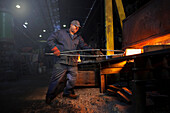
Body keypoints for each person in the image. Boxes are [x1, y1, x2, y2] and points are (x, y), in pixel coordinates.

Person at [46, 20, 92, 104]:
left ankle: (67, 92)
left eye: (78, 27)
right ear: (71, 25)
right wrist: (54, 49)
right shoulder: (61, 33)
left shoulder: (78, 37)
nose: (76, 28)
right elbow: (50, 40)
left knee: (72, 79)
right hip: (61, 60)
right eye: (75, 26)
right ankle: (49, 96)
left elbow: (84, 46)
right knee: (56, 80)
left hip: (73, 61)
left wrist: (92, 51)